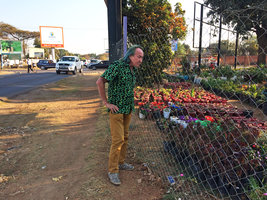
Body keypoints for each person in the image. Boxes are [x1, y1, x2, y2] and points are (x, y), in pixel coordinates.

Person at [96, 45, 144, 186]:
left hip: (127, 109)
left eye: (142, 57)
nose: (141, 60)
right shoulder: (117, 66)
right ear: (130, 55)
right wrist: (106, 103)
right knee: (118, 140)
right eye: (139, 57)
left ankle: (121, 162)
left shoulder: (132, 69)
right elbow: (100, 82)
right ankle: (113, 171)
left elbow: (127, 87)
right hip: (116, 110)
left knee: (126, 137)